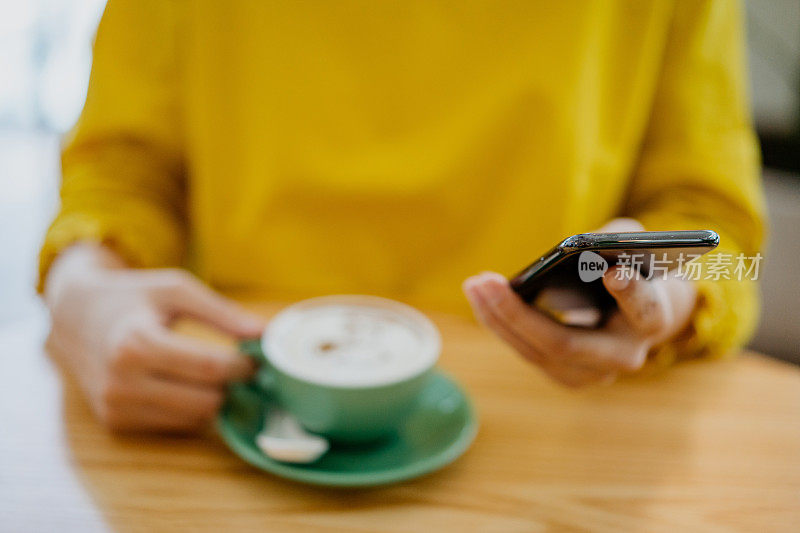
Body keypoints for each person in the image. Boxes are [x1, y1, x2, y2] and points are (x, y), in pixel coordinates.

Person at [40, 0, 764, 432]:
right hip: (237, 405)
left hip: (560, 419)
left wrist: (665, 290)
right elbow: (121, 171)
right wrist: (84, 290)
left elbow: (710, 219)